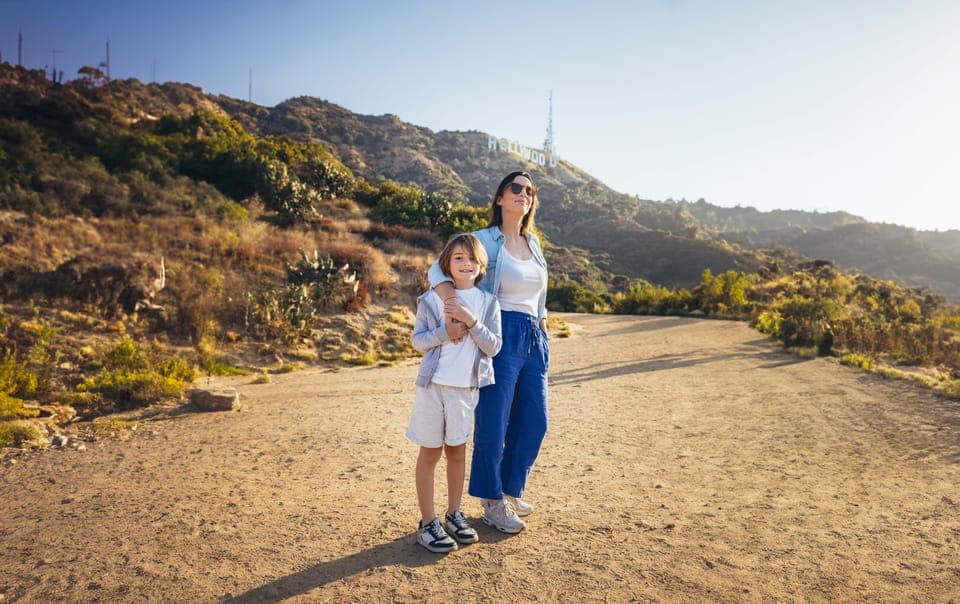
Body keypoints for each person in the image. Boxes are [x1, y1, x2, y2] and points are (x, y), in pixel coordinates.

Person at [428, 171, 549, 534]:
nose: (523, 194)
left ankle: (510, 490)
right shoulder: (484, 240)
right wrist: (453, 302)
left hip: (533, 336)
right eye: (515, 188)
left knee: (534, 422)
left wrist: (543, 323)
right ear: (499, 198)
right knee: (494, 423)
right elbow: (436, 268)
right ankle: (492, 500)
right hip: (501, 329)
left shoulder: (535, 243)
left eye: (529, 190)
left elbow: (538, 293)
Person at [408, 233, 503, 553]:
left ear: (481, 266)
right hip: (433, 387)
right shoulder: (430, 300)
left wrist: (471, 321)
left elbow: (494, 346)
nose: (466, 264)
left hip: (465, 390)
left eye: (472, 259)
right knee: (430, 453)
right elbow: (417, 341)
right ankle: (428, 522)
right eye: (459, 258)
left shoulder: (488, 303)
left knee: (457, 452)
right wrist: (444, 332)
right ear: (446, 263)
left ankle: (453, 514)